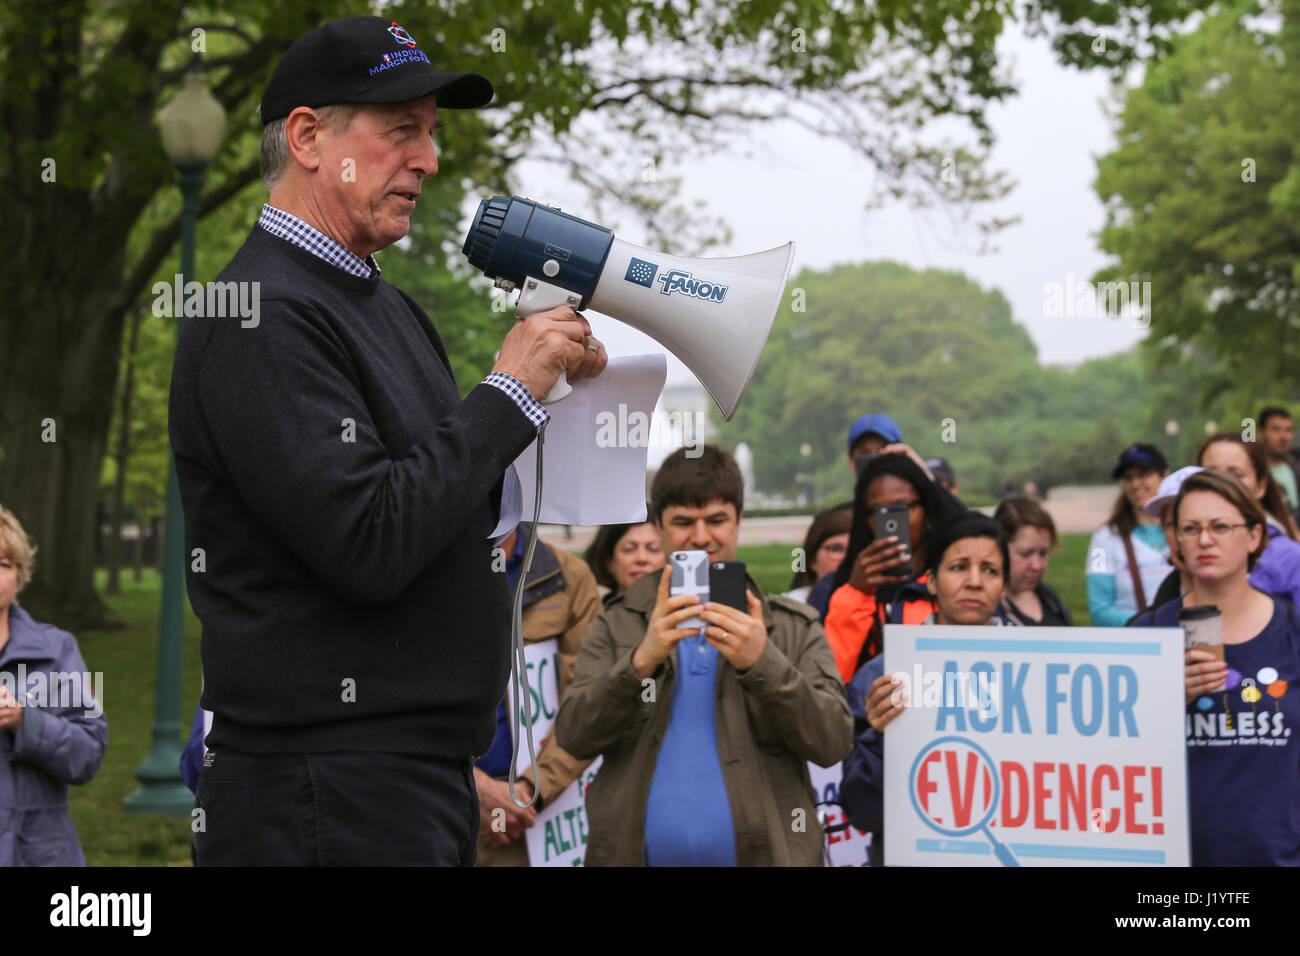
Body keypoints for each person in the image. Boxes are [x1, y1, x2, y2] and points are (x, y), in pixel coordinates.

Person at [169, 16, 608, 866]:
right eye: (402, 130)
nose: (430, 160)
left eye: (432, 135)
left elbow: (441, 498)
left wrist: (553, 398)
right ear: (306, 137)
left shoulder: (387, 307)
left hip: (395, 781)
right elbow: (367, 539)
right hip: (320, 786)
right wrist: (508, 389)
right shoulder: (256, 312)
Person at [553, 445, 853, 866]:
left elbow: (833, 742)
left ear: (738, 522)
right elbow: (572, 735)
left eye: (716, 520)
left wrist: (762, 663)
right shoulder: (617, 623)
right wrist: (640, 662)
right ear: (658, 527)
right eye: (682, 522)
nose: (700, 536)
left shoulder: (792, 626)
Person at [1128, 470, 1300, 866]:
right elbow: (1112, 756)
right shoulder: (1146, 633)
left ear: (1254, 537)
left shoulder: (1292, 631)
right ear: (1178, 542)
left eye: (1221, 526)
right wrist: (1166, 701)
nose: (1205, 539)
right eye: (1190, 528)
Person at [838, 512, 1010, 864]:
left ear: (1005, 587)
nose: (975, 581)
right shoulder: (883, 678)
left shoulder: (1041, 671)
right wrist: (880, 737)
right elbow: (862, 810)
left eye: (990, 570)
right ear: (930, 581)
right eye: (959, 567)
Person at [474, 523, 601, 866]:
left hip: (545, 814)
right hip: (451, 810)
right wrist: (472, 787)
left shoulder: (570, 576)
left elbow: (590, 706)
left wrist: (529, 793)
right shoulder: (415, 577)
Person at [0, 505, 108, 866]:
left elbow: (89, 751)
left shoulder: (59, 648)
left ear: (19, 576)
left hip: (38, 856)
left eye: (3, 564)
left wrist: (24, 721)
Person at [821, 453, 965, 681]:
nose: (891, 521)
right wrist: (857, 594)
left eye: (902, 507)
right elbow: (829, 682)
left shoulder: (953, 577)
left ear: (926, 510)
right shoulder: (843, 586)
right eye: (877, 511)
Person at [1196, 432, 1300, 608]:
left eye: (1236, 475)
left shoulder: (1289, 558)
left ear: (1261, 485)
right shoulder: (1185, 548)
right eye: (1211, 475)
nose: (1222, 484)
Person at [1086, 443, 1172, 626]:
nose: (1135, 484)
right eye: (1128, 478)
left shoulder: (1186, 530)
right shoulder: (1102, 540)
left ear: (1166, 476)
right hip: (1133, 646)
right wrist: (1149, 624)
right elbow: (1099, 610)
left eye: (1143, 474)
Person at [992, 496, 1073, 626]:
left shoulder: (1049, 599)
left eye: (1043, 553)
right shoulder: (990, 612)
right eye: (1026, 554)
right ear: (999, 549)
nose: (1037, 566)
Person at [1140, 466, 1204, 612]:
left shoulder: (1264, 608)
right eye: (1173, 524)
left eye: (1192, 525)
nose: (1182, 538)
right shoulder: (1149, 624)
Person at [584, 509, 664, 600]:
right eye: (629, 549)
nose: (642, 558)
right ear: (608, 561)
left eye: (653, 549)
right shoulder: (592, 612)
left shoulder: (681, 611)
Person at [785, 502, 852, 604]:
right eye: (836, 549)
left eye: (855, 550)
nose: (847, 558)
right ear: (812, 560)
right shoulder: (787, 608)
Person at [1259, 406, 1300, 514]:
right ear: (1261, 432)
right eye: (1276, 429)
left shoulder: (1295, 466)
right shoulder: (1254, 472)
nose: (1284, 437)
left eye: (1288, 430)